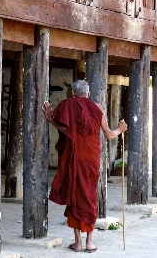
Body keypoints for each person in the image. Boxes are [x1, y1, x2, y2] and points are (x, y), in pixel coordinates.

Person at [42, 80, 127, 253]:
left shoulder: (67, 105)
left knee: (75, 194)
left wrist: (50, 118)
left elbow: (66, 130)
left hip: (74, 158)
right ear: (88, 94)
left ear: (72, 93)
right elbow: (109, 135)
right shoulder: (98, 109)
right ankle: (90, 242)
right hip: (91, 159)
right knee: (89, 196)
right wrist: (120, 129)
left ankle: (78, 243)